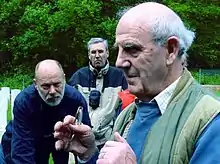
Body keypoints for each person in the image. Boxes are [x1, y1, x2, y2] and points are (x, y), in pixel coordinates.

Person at [54, 2, 220, 164]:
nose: (119, 62)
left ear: (171, 50)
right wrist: (89, 153)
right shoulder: (127, 116)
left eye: (132, 49)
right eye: (118, 50)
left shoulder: (210, 120)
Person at [0, 59, 91, 164]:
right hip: (20, 141)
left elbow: (86, 143)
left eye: (57, 85)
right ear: (35, 84)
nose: (52, 91)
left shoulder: (76, 100)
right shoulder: (24, 102)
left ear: (64, 79)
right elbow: (22, 151)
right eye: (46, 86)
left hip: (56, 142)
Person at [68, 37, 127, 150]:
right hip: (84, 139)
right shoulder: (78, 77)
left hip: (110, 139)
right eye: (93, 52)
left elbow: (127, 106)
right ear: (89, 55)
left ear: (107, 53)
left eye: (100, 51)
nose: (97, 55)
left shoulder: (120, 76)